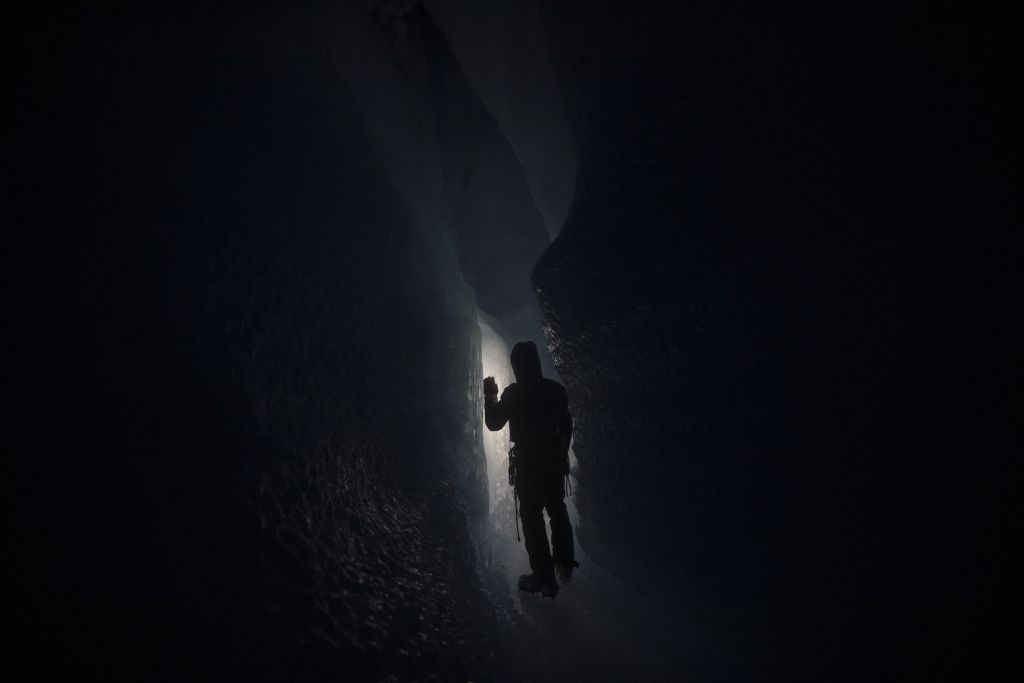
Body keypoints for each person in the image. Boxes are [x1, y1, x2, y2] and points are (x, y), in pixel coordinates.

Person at [484, 341, 577, 599]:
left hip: (528, 466)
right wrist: (560, 448)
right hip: (553, 462)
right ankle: (565, 565)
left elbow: (493, 423)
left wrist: (490, 396)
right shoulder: (556, 391)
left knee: (532, 518)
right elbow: (566, 424)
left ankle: (544, 577)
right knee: (557, 510)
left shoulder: (514, 394)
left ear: (517, 366)